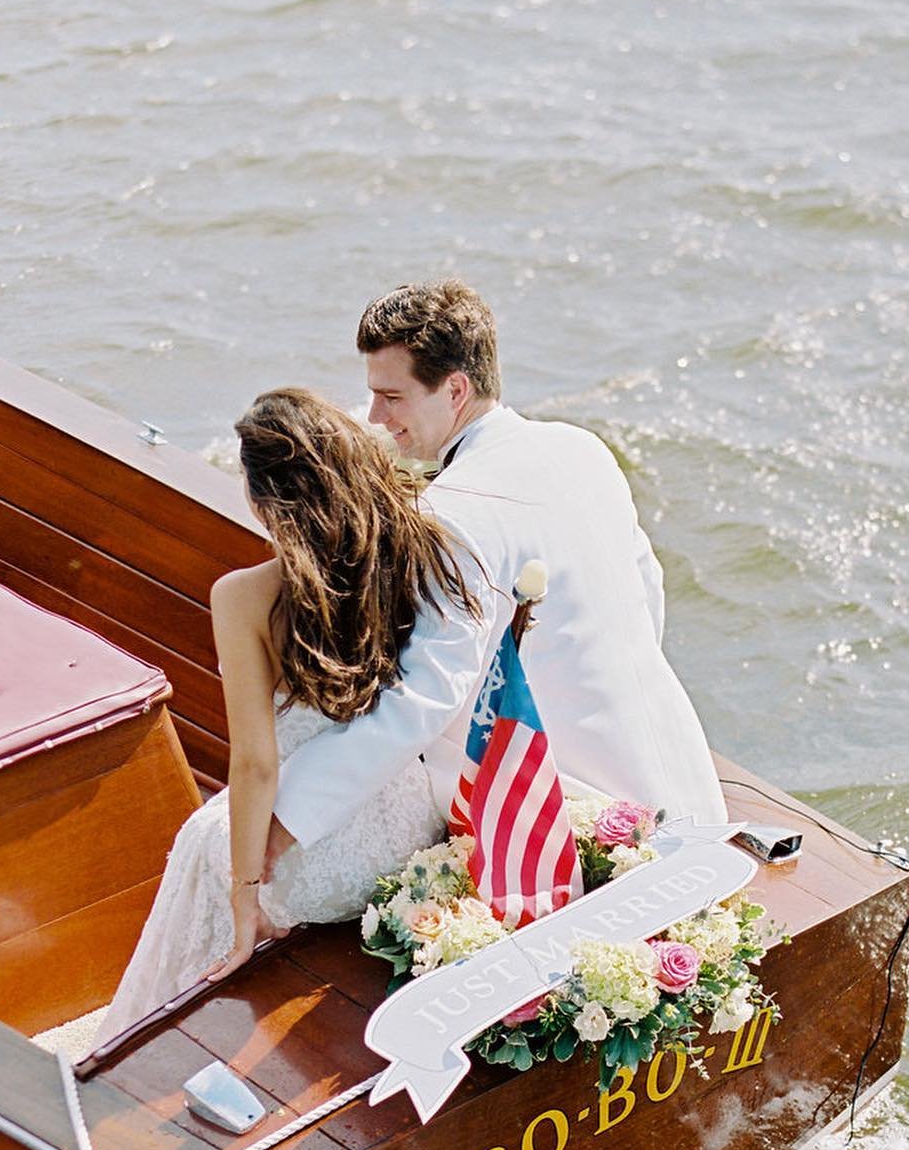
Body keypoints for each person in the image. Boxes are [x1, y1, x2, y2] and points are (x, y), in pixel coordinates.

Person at [267, 279, 726, 871]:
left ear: (455, 388)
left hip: (578, 821)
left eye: (392, 397)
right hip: (681, 776)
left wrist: (282, 824)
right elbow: (646, 591)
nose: (377, 418)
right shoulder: (581, 448)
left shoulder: (452, 514)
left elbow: (426, 697)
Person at [94, 389, 466, 1047]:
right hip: (407, 829)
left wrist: (245, 899)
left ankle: (146, 1043)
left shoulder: (244, 597)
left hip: (315, 868)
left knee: (202, 841)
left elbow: (256, 764)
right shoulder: (414, 548)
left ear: (266, 501)